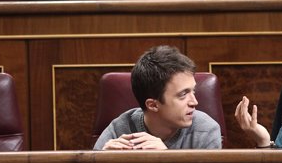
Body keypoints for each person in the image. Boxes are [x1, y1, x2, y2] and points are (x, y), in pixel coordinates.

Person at [93, 45, 222, 150]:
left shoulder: (205, 131)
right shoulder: (119, 130)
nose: (194, 102)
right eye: (183, 94)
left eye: (193, 91)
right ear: (153, 105)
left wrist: (165, 158)